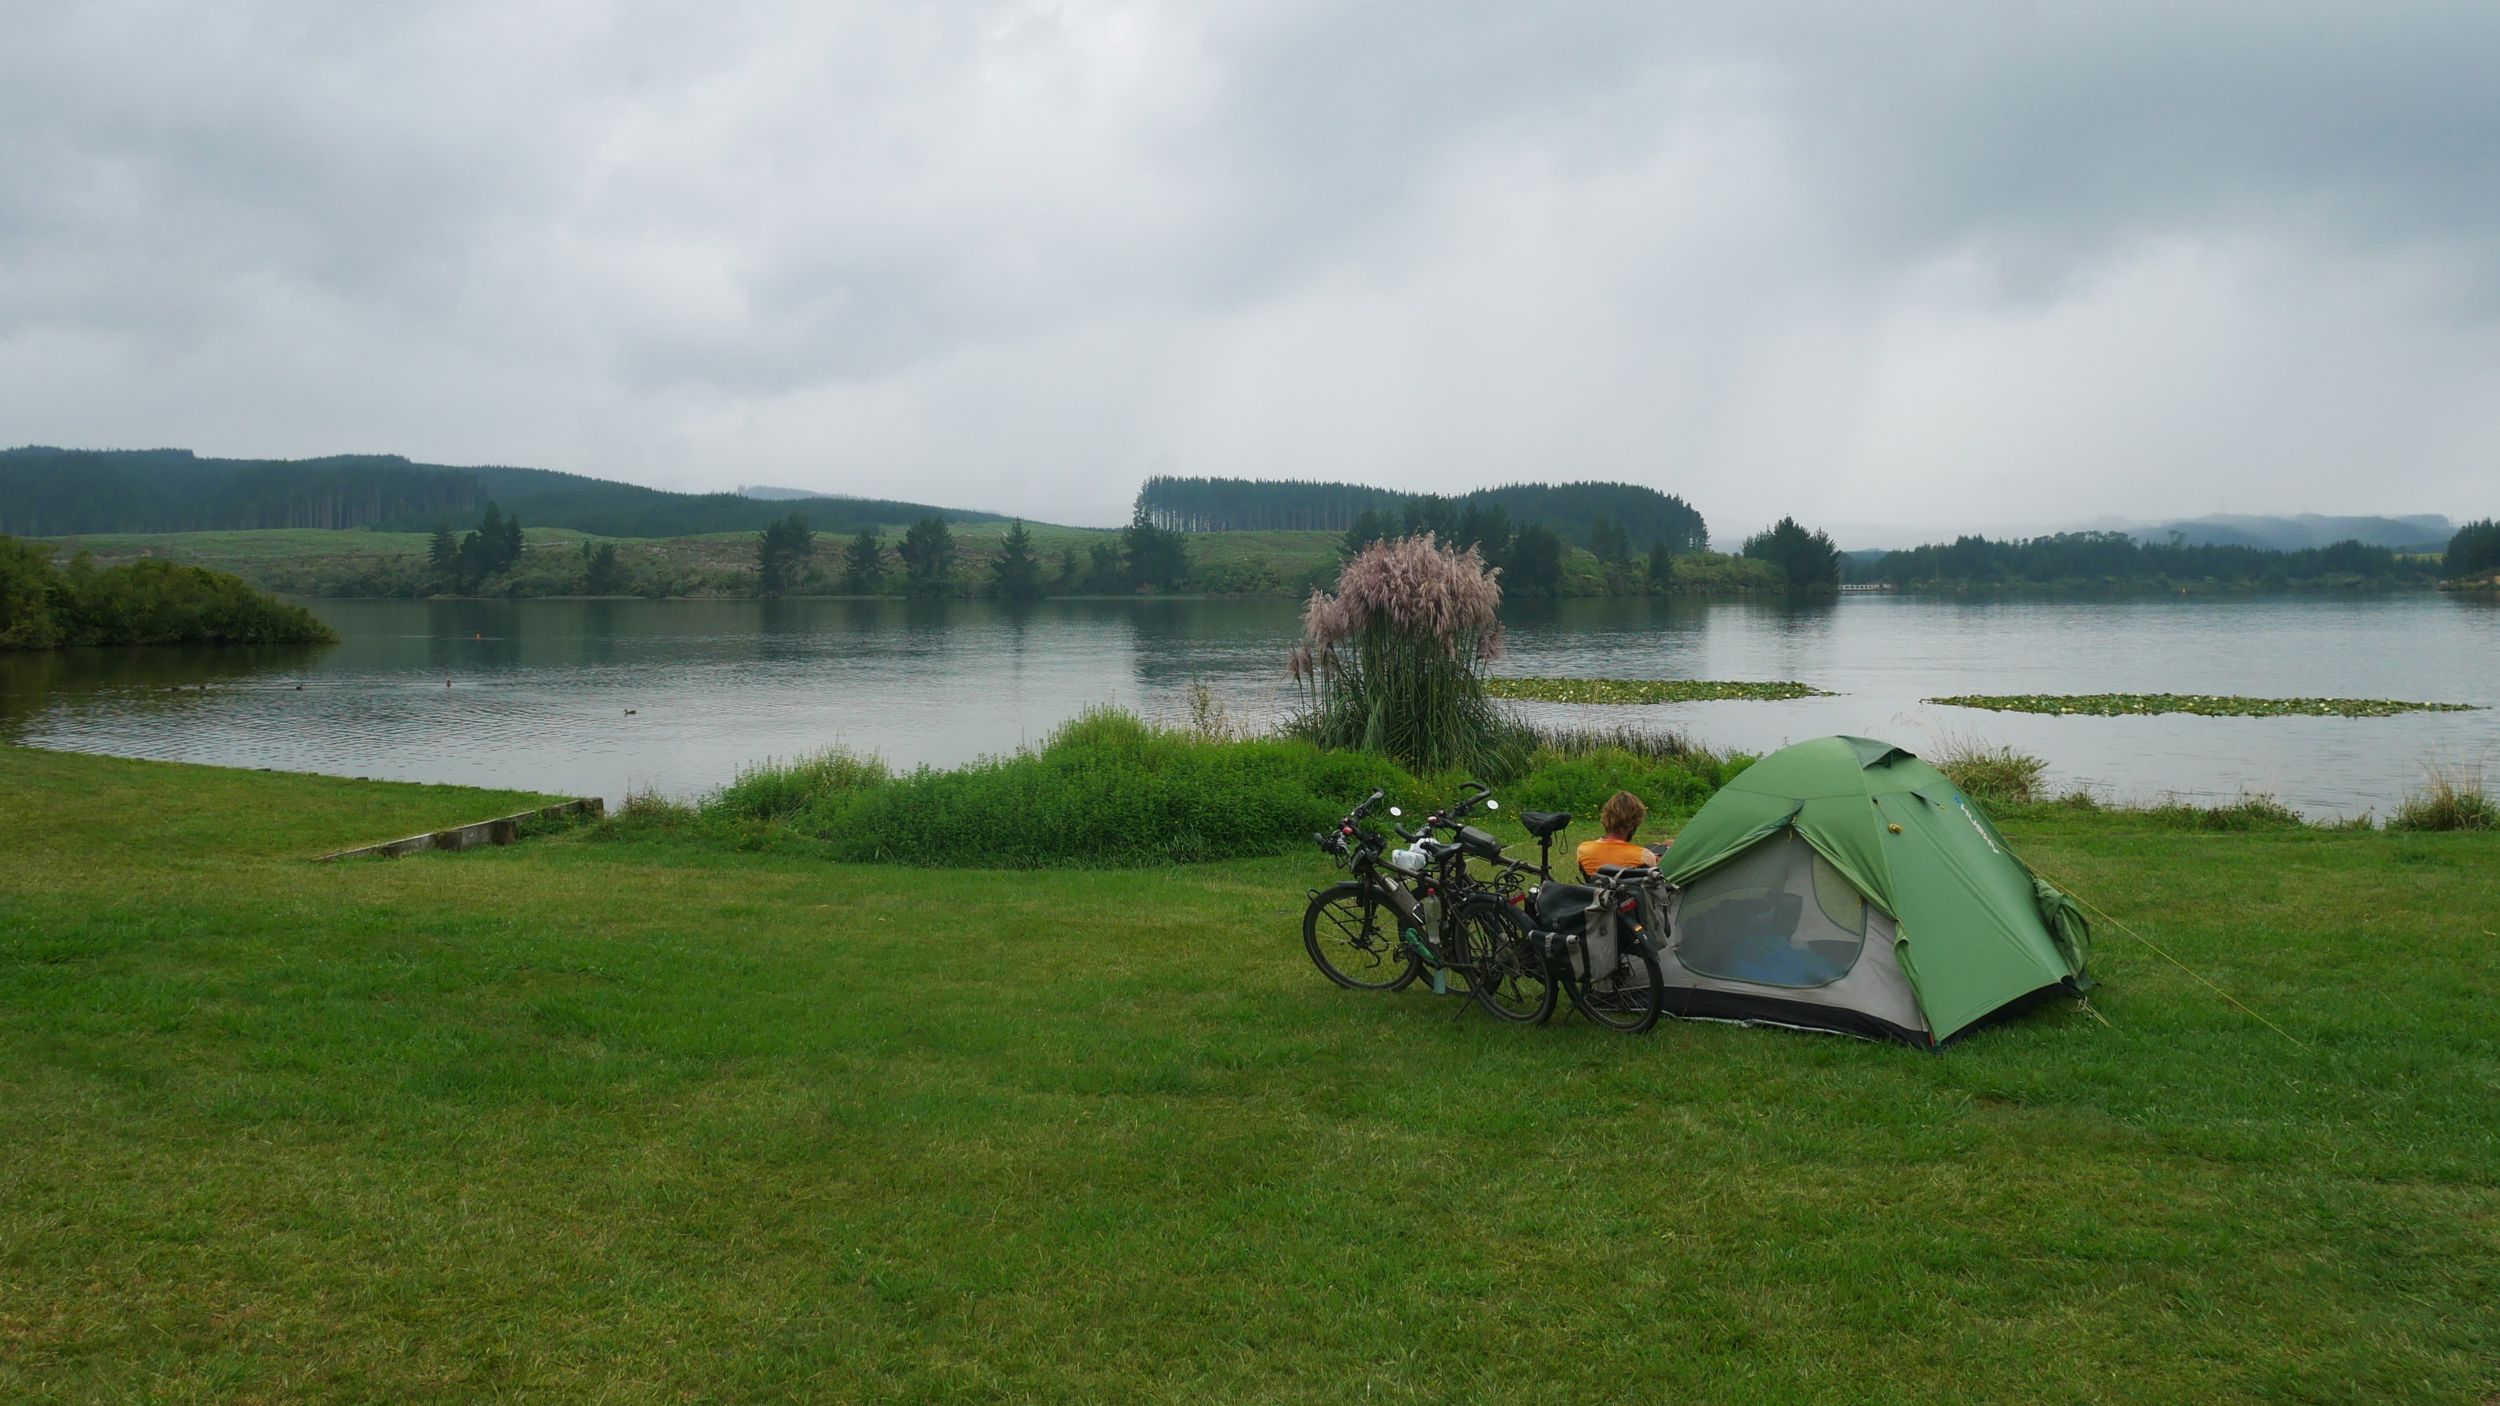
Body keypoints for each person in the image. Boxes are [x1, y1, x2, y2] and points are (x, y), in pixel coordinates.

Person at [1576, 790, 1667, 878]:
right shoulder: (1644, 856)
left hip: (1596, 888)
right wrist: (1658, 860)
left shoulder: (1583, 849)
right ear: (1634, 823)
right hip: (1631, 889)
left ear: (1606, 817)